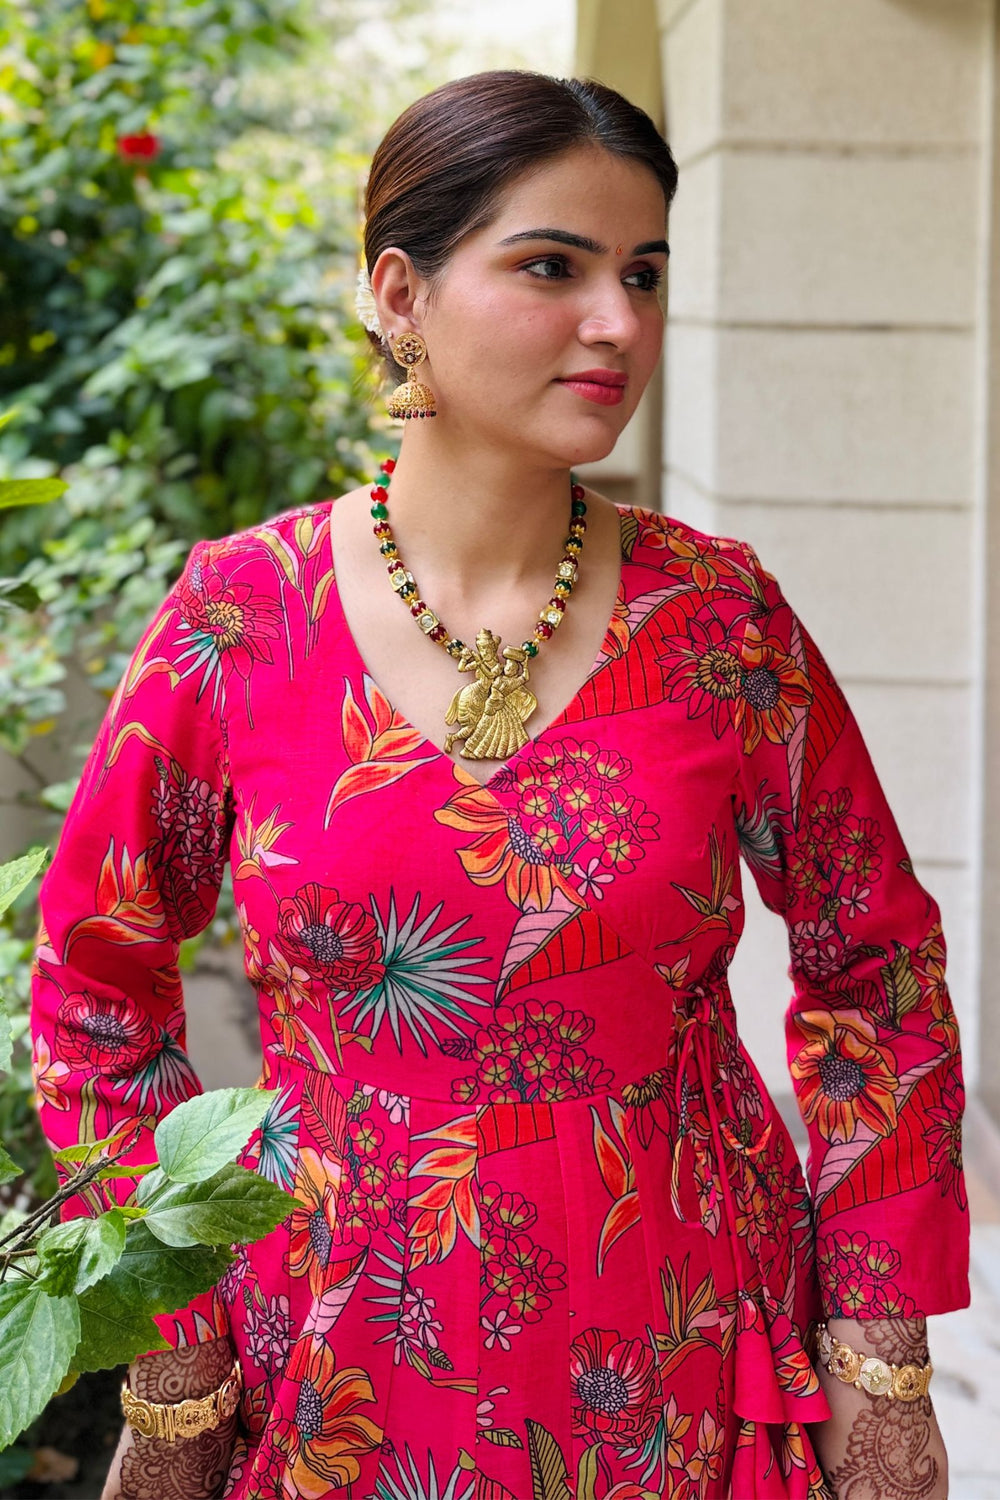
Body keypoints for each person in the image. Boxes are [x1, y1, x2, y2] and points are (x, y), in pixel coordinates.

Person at [29, 68, 969, 1500]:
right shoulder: (244, 617)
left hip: (685, 1353)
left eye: (644, 273)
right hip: (336, 1362)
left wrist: (880, 1356)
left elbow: (877, 967)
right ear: (399, 294)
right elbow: (96, 988)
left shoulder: (721, 619)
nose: (619, 323)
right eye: (552, 267)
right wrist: (173, 1357)